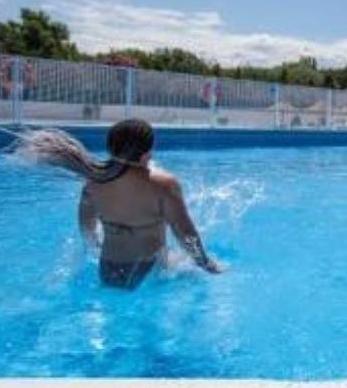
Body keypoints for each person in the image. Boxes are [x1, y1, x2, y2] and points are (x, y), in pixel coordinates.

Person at [13, 119, 224, 289]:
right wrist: (205, 263)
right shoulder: (164, 184)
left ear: (110, 148)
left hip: (107, 271)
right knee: (188, 274)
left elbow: (86, 230)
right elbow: (184, 232)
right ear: (147, 152)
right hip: (146, 273)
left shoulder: (93, 183)